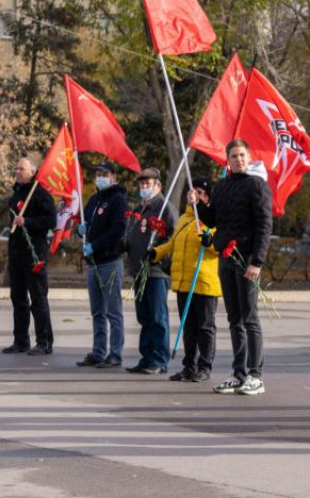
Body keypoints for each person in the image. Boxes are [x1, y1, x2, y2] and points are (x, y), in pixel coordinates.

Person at [190, 139, 272, 396]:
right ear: (227, 160)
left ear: (249, 157)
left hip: (247, 259)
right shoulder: (223, 186)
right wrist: (199, 205)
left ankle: (255, 375)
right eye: (234, 156)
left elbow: (264, 225)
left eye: (242, 155)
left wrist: (257, 261)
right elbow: (215, 219)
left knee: (250, 318)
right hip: (225, 259)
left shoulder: (257, 185)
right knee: (234, 318)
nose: (239, 159)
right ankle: (239, 374)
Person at [152, 177, 220, 382]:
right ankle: (189, 366)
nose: (195, 195)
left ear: (206, 197)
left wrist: (209, 241)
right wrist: (155, 253)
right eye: (193, 192)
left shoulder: (213, 218)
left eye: (200, 192)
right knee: (188, 327)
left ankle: (204, 367)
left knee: (205, 328)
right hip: (183, 283)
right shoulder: (183, 219)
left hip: (204, 282)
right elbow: (172, 244)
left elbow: (219, 247)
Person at [76, 161, 128, 369]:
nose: (100, 177)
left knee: (113, 312)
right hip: (94, 264)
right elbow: (87, 224)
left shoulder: (118, 200)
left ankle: (115, 354)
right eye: (98, 173)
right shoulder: (94, 199)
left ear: (113, 177)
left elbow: (118, 230)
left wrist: (95, 245)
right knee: (97, 311)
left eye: (104, 174)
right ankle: (98, 352)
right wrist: (81, 230)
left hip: (110, 262)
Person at [125, 167, 177, 375]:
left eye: (148, 183)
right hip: (139, 270)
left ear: (158, 185)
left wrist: (159, 254)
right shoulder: (139, 208)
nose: (144, 186)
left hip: (155, 272)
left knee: (157, 317)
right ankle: (146, 357)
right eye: (142, 183)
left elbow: (173, 238)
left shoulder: (165, 208)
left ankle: (159, 360)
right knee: (144, 316)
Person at [4, 158, 57, 355]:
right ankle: (21, 340)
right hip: (17, 253)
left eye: (22, 168)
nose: (17, 171)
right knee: (18, 298)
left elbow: (51, 220)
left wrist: (27, 221)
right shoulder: (16, 193)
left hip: (34, 253)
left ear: (33, 171)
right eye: (16, 167)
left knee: (38, 298)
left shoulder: (40, 194)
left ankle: (44, 342)